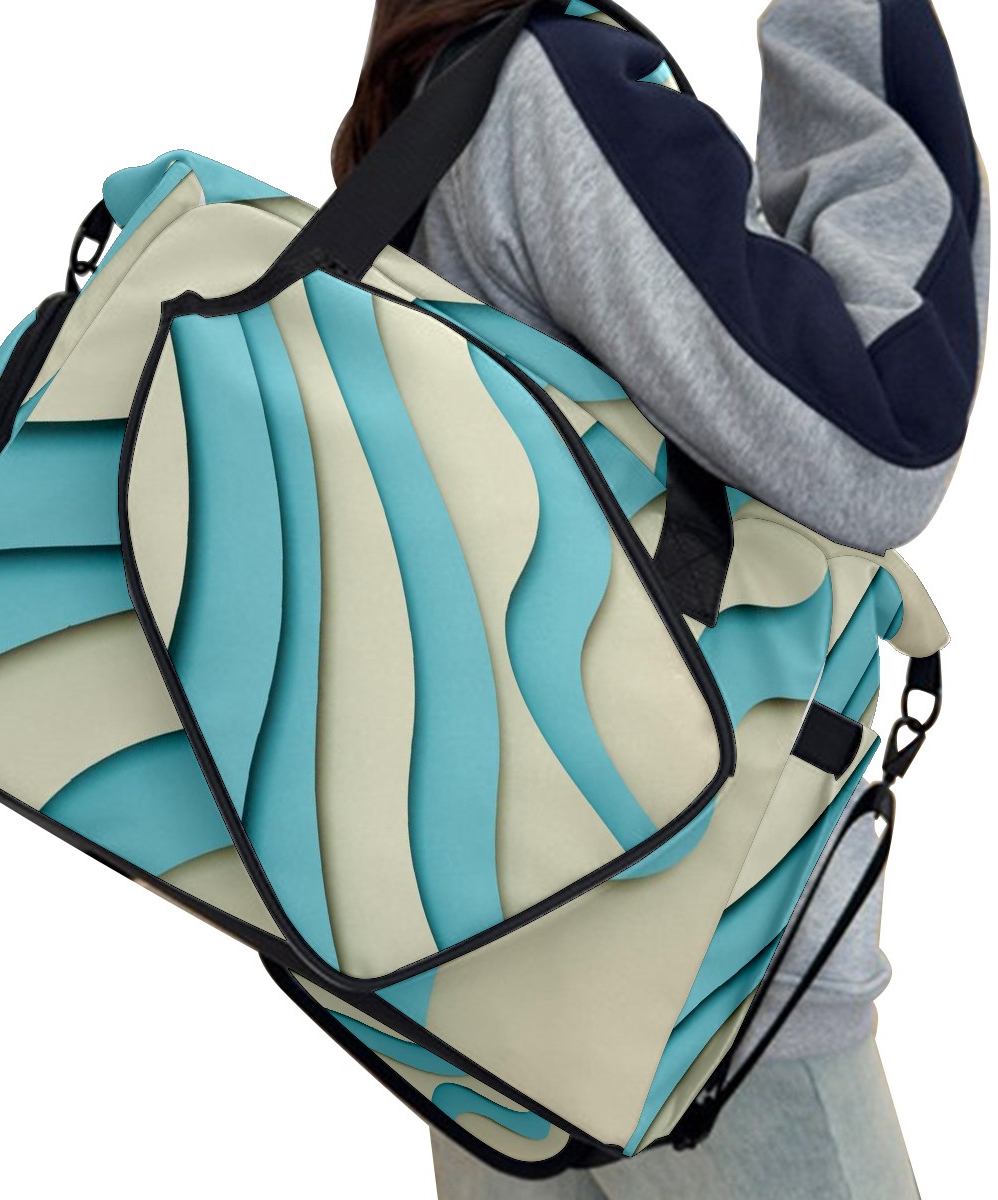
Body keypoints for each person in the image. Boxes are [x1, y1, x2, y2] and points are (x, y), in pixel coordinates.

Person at [331, 2, 988, 1197]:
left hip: (472, 979)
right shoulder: (555, 89)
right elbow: (883, 434)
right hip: (700, 987)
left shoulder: (422, 128)